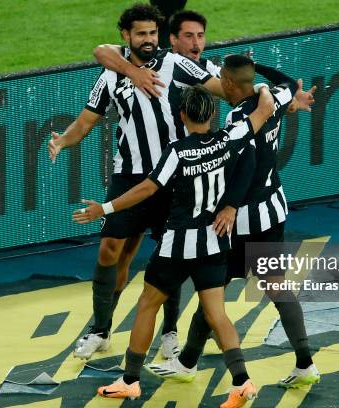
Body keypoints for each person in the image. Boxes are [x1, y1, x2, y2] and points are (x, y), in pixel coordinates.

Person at [74, 83, 275, 406]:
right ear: (211, 114)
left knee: (147, 305)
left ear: (181, 116)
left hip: (178, 245)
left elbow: (145, 190)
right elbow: (265, 110)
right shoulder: (229, 138)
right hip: (214, 243)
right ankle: (242, 382)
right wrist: (263, 86)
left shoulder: (177, 151)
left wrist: (105, 208)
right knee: (217, 315)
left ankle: (129, 380)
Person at [48, 3, 225, 361]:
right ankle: (100, 329)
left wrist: (267, 98)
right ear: (126, 36)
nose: (148, 40)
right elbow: (86, 121)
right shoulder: (112, 75)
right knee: (109, 248)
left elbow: (218, 87)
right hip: (129, 174)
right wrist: (64, 140)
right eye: (141, 34)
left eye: (153, 33)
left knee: (171, 255)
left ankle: (170, 332)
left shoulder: (176, 63)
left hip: (174, 173)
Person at [146, 55, 321, 389]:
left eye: (221, 78)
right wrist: (261, 81)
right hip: (273, 207)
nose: (218, 83)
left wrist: (228, 206)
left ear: (227, 84)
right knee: (277, 285)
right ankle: (305, 363)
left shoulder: (239, 117)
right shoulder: (277, 98)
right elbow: (286, 81)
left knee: (214, 290)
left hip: (240, 219)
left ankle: (187, 362)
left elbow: (245, 164)